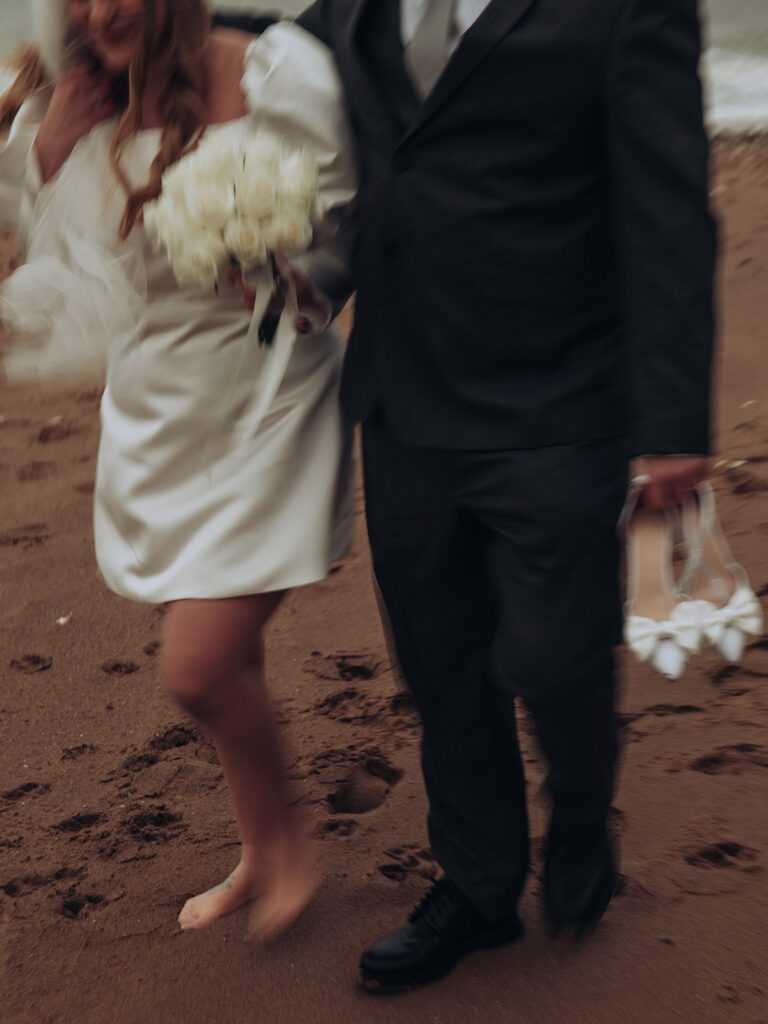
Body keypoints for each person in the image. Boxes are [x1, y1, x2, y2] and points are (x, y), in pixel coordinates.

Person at [214, 0, 715, 990]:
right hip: (405, 397)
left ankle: (582, 815)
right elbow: (270, 47)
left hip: (558, 397)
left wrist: (673, 422)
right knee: (440, 663)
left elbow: (669, 209)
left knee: (555, 656)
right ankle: (479, 886)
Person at [0, 0, 356, 940]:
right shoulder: (75, 100)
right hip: (159, 409)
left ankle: (294, 843)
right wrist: (52, 152)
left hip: (268, 395)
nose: (101, 9)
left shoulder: (272, 71)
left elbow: (355, 212)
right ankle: (259, 849)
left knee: (197, 669)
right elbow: (61, 267)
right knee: (234, 658)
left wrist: (289, 262)